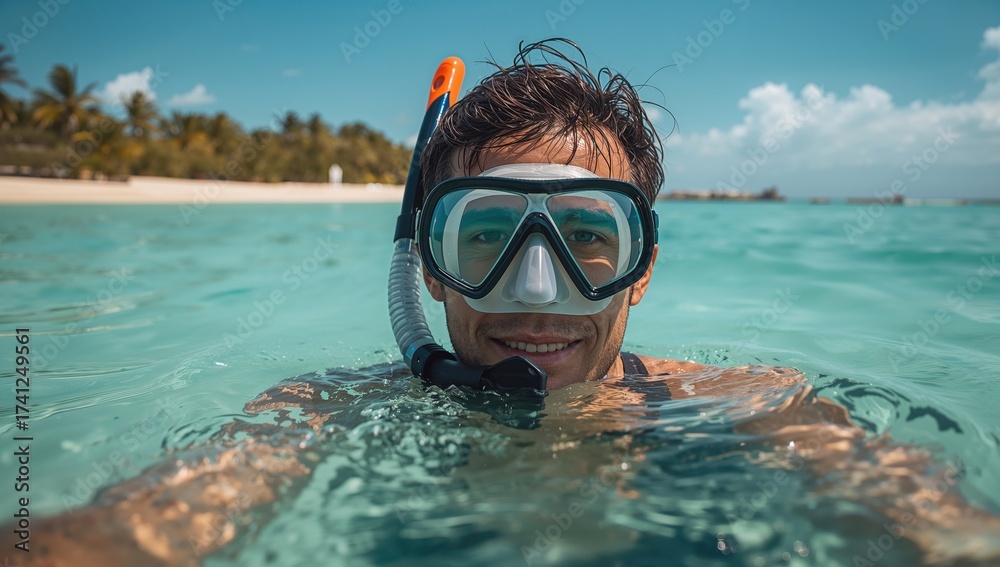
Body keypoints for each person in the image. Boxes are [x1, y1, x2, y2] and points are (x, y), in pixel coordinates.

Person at [6, 39, 1000, 566]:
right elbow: (128, 537)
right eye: (486, 236)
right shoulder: (319, 417)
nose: (535, 293)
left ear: (641, 267)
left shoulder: (762, 410)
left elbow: (941, 533)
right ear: (428, 266)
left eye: (587, 240)